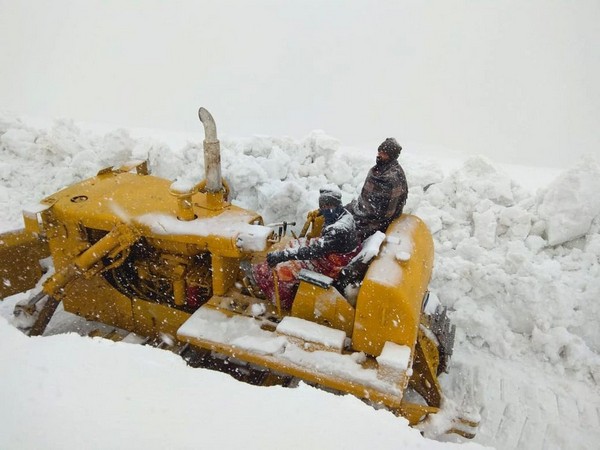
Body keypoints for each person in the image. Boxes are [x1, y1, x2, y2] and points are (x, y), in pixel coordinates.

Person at [251, 186, 360, 309]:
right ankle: (269, 277)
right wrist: (320, 211)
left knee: (283, 269)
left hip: (332, 265)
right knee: (294, 244)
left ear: (337, 205)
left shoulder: (338, 230)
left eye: (327, 206)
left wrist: (282, 256)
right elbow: (320, 246)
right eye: (322, 206)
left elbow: (313, 252)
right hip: (334, 252)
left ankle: (282, 302)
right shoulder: (344, 214)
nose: (324, 210)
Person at [345, 138, 408, 240]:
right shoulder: (380, 168)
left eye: (384, 153)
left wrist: (361, 217)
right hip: (364, 211)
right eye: (379, 151)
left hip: (377, 221)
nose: (379, 155)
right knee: (336, 212)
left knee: (345, 234)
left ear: (391, 156)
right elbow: (365, 197)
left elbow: (385, 214)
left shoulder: (392, 178)